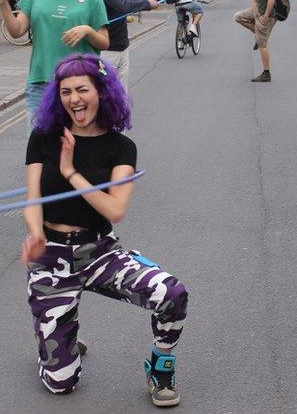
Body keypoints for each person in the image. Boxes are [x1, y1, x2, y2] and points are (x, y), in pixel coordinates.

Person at [22, 53, 188, 407]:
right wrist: (35, 233)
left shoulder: (120, 147)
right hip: (51, 258)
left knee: (172, 294)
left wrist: (70, 173)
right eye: (65, 92)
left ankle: (161, 367)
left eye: (82, 89)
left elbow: (115, 209)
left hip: (99, 252)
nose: (74, 99)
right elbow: (33, 199)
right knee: (60, 383)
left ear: (101, 91)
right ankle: (61, 338)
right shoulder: (43, 137)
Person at [0, 0, 110, 129]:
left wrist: (87, 31)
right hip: (41, 83)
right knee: (40, 150)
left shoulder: (93, 0)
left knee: (78, 147)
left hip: (80, 84)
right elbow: (16, 31)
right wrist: (4, 5)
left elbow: (104, 42)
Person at [234, 0, 277, 82]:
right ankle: (258, 34)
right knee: (238, 16)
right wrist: (254, 13)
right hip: (258, 11)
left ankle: (266, 73)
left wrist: (265, 16)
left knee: (262, 44)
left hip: (268, 15)